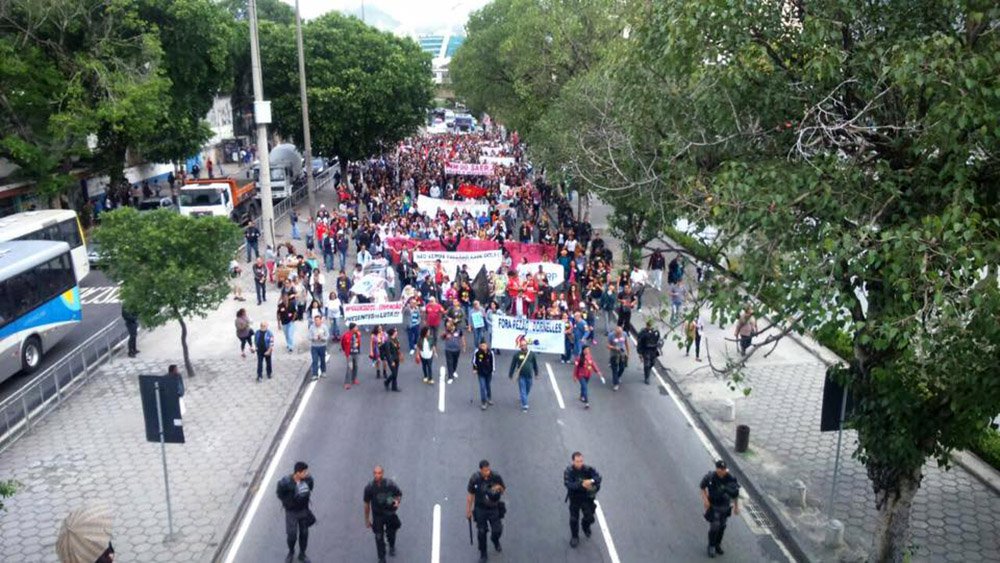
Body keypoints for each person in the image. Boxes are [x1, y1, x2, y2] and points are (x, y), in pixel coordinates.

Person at [466, 460, 506, 562]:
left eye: (488, 470)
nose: (487, 472)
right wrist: (468, 510)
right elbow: (470, 495)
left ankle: (495, 539)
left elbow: (503, 490)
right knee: (481, 532)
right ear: (481, 470)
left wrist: (498, 488)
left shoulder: (496, 476)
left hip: (494, 508)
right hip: (481, 509)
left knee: (498, 530)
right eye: (485, 470)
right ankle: (483, 554)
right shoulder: (475, 479)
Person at [276, 461, 315, 563]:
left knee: (304, 533)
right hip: (291, 512)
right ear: (298, 473)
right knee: (292, 535)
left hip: (303, 510)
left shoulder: (308, 480)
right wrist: (287, 502)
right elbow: (279, 493)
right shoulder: (286, 482)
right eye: (304, 472)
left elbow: (310, 488)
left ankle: (302, 554)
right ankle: (291, 551)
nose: (307, 473)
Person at [700, 460, 741, 558]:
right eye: (720, 469)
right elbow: (702, 487)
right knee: (715, 525)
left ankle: (717, 544)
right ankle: (711, 546)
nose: (722, 471)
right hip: (714, 505)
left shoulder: (730, 478)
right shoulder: (710, 477)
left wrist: (736, 507)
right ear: (717, 469)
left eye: (724, 469)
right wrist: (705, 500)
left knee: (722, 526)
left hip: (725, 506)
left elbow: (735, 494)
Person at [363, 465, 402, 563]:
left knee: (391, 533)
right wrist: (367, 519)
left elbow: (398, 494)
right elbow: (366, 504)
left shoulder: (390, 484)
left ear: (383, 473)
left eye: (379, 473)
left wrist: (397, 502)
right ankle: (382, 558)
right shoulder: (369, 488)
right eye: (375, 473)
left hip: (390, 513)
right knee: (379, 537)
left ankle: (391, 546)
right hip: (378, 516)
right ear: (373, 474)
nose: (377, 475)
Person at [563, 451, 602, 547]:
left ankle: (585, 525)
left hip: (586, 498)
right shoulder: (569, 471)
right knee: (573, 519)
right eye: (577, 461)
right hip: (575, 499)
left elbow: (598, 477)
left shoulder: (588, 469)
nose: (580, 463)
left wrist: (591, 481)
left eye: (581, 461)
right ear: (573, 461)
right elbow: (569, 484)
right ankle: (575, 537)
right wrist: (582, 484)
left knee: (590, 518)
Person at [507, 340, 539, 411]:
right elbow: (513, 365)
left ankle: (523, 397)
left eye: (524, 345)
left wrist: (536, 373)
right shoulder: (517, 354)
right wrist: (510, 374)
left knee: (528, 389)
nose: (523, 346)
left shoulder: (532, 354)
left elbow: (535, 364)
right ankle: (525, 404)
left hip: (529, 375)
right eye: (522, 345)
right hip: (521, 376)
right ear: (520, 346)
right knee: (522, 390)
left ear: (526, 345)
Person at [472, 340, 495, 410]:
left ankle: (489, 398)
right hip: (481, 372)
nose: (483, 347)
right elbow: (474, 361)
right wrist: (474, 369)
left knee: (488, 386)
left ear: (486, 345)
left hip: (489, 372)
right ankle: (483, 402)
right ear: (480, 346)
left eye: (484, 345)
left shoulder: (491, 352)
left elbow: (493, 362)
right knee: (482, 387)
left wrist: (493, 370)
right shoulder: (477, 352)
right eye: (482, 346)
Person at [636, 319, 661, 385]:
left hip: (653, 350)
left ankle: (648, 370)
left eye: (651, 325)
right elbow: (639, 342)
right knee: (647, 364)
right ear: (646, 325)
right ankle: (647, 377)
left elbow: (659, 339)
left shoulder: (656, 332)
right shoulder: (643, 332)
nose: (650, 327)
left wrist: (659, 346)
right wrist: (640, 352)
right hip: (646, 350)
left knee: (652, 363)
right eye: (649, 325)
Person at [607, 325, 630, 391]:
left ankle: (617, 377)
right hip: (614, 354)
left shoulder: (624, 334)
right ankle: (616, 384)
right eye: (618, 334)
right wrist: (614, 347)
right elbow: (608, 345)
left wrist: (628, 353)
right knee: (614, 369)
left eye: (620, 334)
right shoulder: (611, 335)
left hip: (622, 354)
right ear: (615, 332)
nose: (619, 335)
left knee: (622, 367)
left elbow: (626, 343)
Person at [341, 322, 362, 389]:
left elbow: (359, 342)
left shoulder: (357, 334)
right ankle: (347, 383)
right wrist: (346, 351)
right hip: (349, 354)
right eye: (356, 327)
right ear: (352, 328)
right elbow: (342, 344)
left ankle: (354, 379)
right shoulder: (346, 335)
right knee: (350, 367)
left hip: (356, 353)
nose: (357, 328)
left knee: (356, 366)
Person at [308, 314, 328, 381]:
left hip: (322, 346)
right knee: (315, 360)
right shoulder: (312, 327)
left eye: (318, 320)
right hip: (314, 346)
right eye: (315, 320)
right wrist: (313, 338)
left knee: (322, 359)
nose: (316, 322)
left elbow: (327, 336)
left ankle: (323, 371)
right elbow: (309, 336)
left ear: (320, 320)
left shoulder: (324, 327)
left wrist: (322, 338)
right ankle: (315, 374)